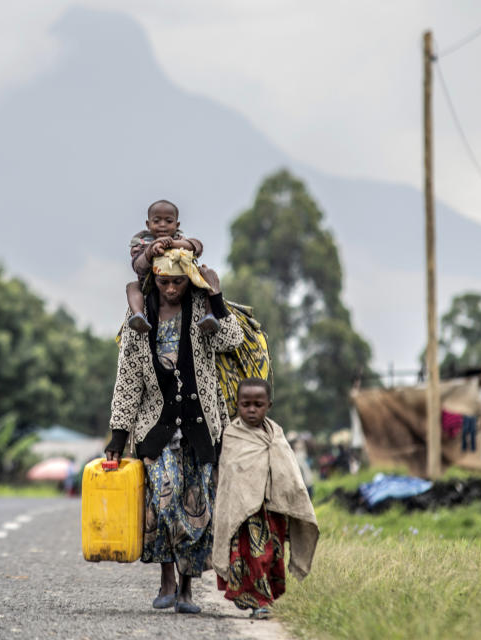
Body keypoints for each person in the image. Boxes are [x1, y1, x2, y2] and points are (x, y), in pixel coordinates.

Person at [106, 254, 243, 614]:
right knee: (164, 506)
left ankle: (185, 590)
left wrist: (215, 297)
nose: (170, 289)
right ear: (155, 278)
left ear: (189, 281)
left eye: (178, 282)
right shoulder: (139, 317)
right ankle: (166, 579)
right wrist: (118, 437)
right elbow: (128, 381)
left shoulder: (203, 311)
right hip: (156, 429)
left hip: (201, 428)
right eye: (164, 282)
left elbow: (232, 339)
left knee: (197, 511)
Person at [213, 378, 319, 620]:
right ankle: (259, 601)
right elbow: (230, 480)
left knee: (272, 556)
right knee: (253, 557)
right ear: (237, 405)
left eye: (258, 404)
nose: (251, 409)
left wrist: (289, 501)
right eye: (245, 404)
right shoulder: (232, 435)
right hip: (246, 514)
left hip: (273, 510)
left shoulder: (276, 435)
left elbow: (289, 474)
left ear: (269, 405)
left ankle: (267, 599)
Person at [126, 199, 219, 334]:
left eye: (169, 221)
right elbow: (138, 266)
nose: (162, 225)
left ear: (177, 224)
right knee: (132, 287)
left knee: (207, 277)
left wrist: (172, 244)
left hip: (186, 280)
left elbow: (197, 246)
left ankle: (210, 315)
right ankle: (139, 315)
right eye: (156, 221)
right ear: (148, 224)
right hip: (150, 284)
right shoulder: (142, 242)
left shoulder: (179, 238)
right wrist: (150, 250)